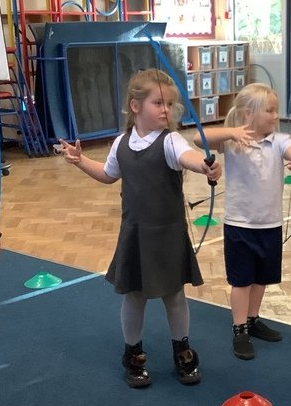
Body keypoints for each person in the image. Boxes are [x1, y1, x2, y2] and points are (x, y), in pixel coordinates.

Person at [60, 70, 219, 388]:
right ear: (135, 106)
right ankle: (133, 354)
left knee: (174, 296)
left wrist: (206, 164)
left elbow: (190, 158)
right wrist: (79, 161)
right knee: (134, 297)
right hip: (135, 234)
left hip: (168, 234)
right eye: (158, 102)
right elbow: (108, 174)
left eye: (171, 104)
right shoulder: (121, 143)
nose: (167, 110)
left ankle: (182, 349)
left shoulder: (171, 140)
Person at [196, 83, 291, 359]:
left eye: (276, 110)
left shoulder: (279, 141)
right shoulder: (232, 141)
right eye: (270, 111)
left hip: (270, 224)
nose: (276, 116)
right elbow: (199, 139)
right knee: (242, 281)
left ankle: (252, 319)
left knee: (261, 278)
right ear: (249, 113)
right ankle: (239, 329)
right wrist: (233, 132)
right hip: (240, 224)